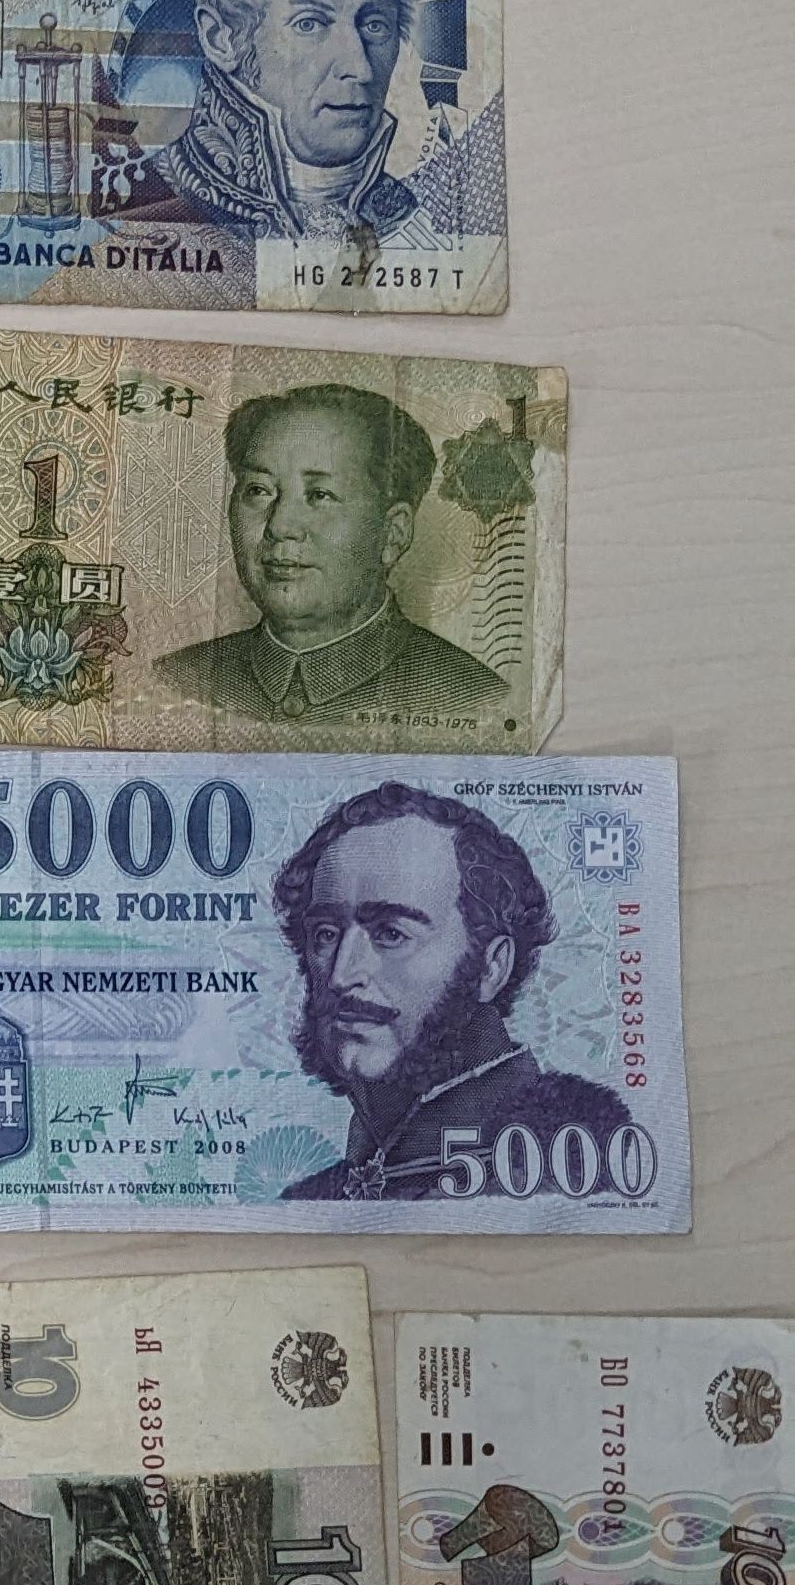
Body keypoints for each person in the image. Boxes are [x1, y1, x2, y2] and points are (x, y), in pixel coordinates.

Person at [270, 782, 628, 1201]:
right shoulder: (314, 1200)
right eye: (326, 934)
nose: (340, 975)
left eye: (391, 933)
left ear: (491, 967)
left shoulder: (568, 1165)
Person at [155, 383, 506, 723]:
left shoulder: (470, 697)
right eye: (259, 490)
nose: (279, 526)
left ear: (392, 534)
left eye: (319, 495)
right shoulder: (178, 679)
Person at [117, 0, 432, 243]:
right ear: (221, 39)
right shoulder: (140, 210)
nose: (360, 68)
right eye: (309, 24)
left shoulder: (415, 222)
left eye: (374, 26)